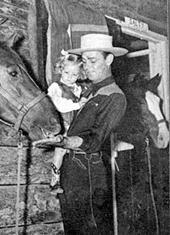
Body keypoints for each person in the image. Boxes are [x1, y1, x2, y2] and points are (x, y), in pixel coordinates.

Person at [33, 33, 128, 234]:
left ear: (109, 59)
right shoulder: (86, 91)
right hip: (71, 170)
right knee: (73, 228)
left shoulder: (115, 96)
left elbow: (95, 141)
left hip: (89, 172)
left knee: (91, 228)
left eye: (93, 60)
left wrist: (64, 141)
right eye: (84, 61)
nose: (87, 66)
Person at [47, 50, 88, 194]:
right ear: (60, 70)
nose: (70, 78)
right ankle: (54, 182)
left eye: (75, 74)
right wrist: (78, 105)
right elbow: (58, 105)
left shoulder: (79, 89)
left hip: (75, 125)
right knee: (60, 151)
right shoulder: (55, 87)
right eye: (66, 73)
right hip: (61, 124)